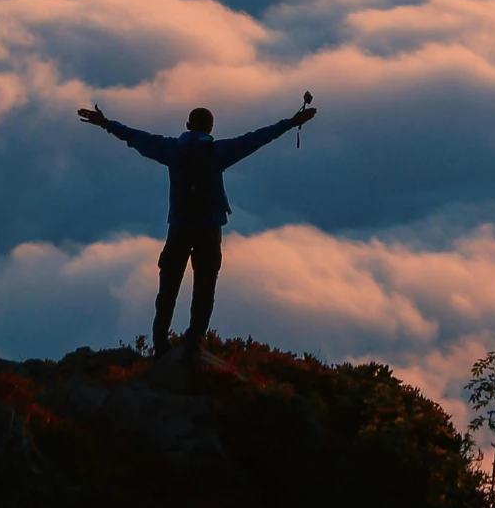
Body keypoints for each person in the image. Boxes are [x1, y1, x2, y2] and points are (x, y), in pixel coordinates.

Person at [78, 98, 316, 355]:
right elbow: (256, 138)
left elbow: (136, 137)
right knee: (204, 286)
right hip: (209, 228)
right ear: (211, 128)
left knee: (168, 286)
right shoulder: (218, 153)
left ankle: (160, 344)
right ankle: (194, 342)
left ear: (188, 125)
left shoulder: (171, 150)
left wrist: (105, 123)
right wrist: (291, 123)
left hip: (179, 226)